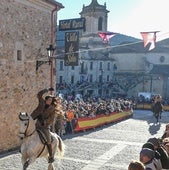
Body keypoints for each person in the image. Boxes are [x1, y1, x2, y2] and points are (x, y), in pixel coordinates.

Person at [31, 88, 56, 163]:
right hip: (37, 124)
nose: (49, 101)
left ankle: (51, 156)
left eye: (51, 101)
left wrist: (44, 122)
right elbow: (39, 94)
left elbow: (51, 119)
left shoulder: (52, 109)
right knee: (27, 133)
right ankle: (23, 148)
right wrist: (47, 90)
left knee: (48, 140)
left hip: (45, 127)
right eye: (48, 100)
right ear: (45, 100)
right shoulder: (41, 103)